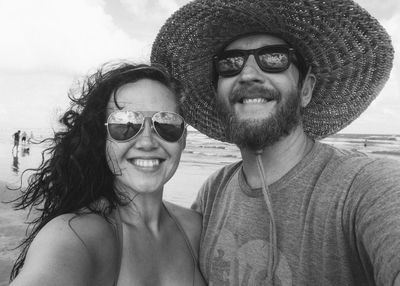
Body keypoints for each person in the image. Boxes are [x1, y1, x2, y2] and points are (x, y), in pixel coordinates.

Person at [151, 0, 400, 285]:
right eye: (230, 64)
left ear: (306, 89)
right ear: (217, 93)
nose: (247, 74)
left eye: (274, 58)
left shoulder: (365, 187)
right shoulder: (214, 190)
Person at [9, 63, 206, 286]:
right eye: (125, 124)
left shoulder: (195, 227)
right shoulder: (76, 234)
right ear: (102, 138)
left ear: (183, 139)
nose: (147, 141)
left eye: (166, 124)